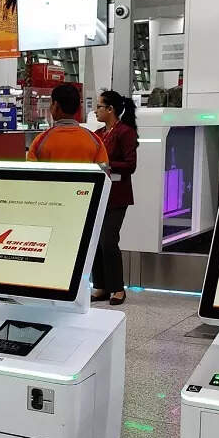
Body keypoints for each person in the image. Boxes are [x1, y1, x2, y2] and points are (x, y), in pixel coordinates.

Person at [91, 90, 138, 306]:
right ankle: (100, 286)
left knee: (109, 240)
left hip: (117, 195)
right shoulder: (99, 133)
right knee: (96, 241)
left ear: (110, 109)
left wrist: (107, 165)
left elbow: (130, 165)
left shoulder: (125, 132)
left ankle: (117, 288)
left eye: (99, 106)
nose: (95, 110)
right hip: (100, 193)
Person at [27, 82, 108, 164]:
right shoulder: (95, 141)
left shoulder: (40, 142)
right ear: (78, 107)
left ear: (55, 106)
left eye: (51, 103)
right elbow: (104, 173)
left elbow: (30, 174)